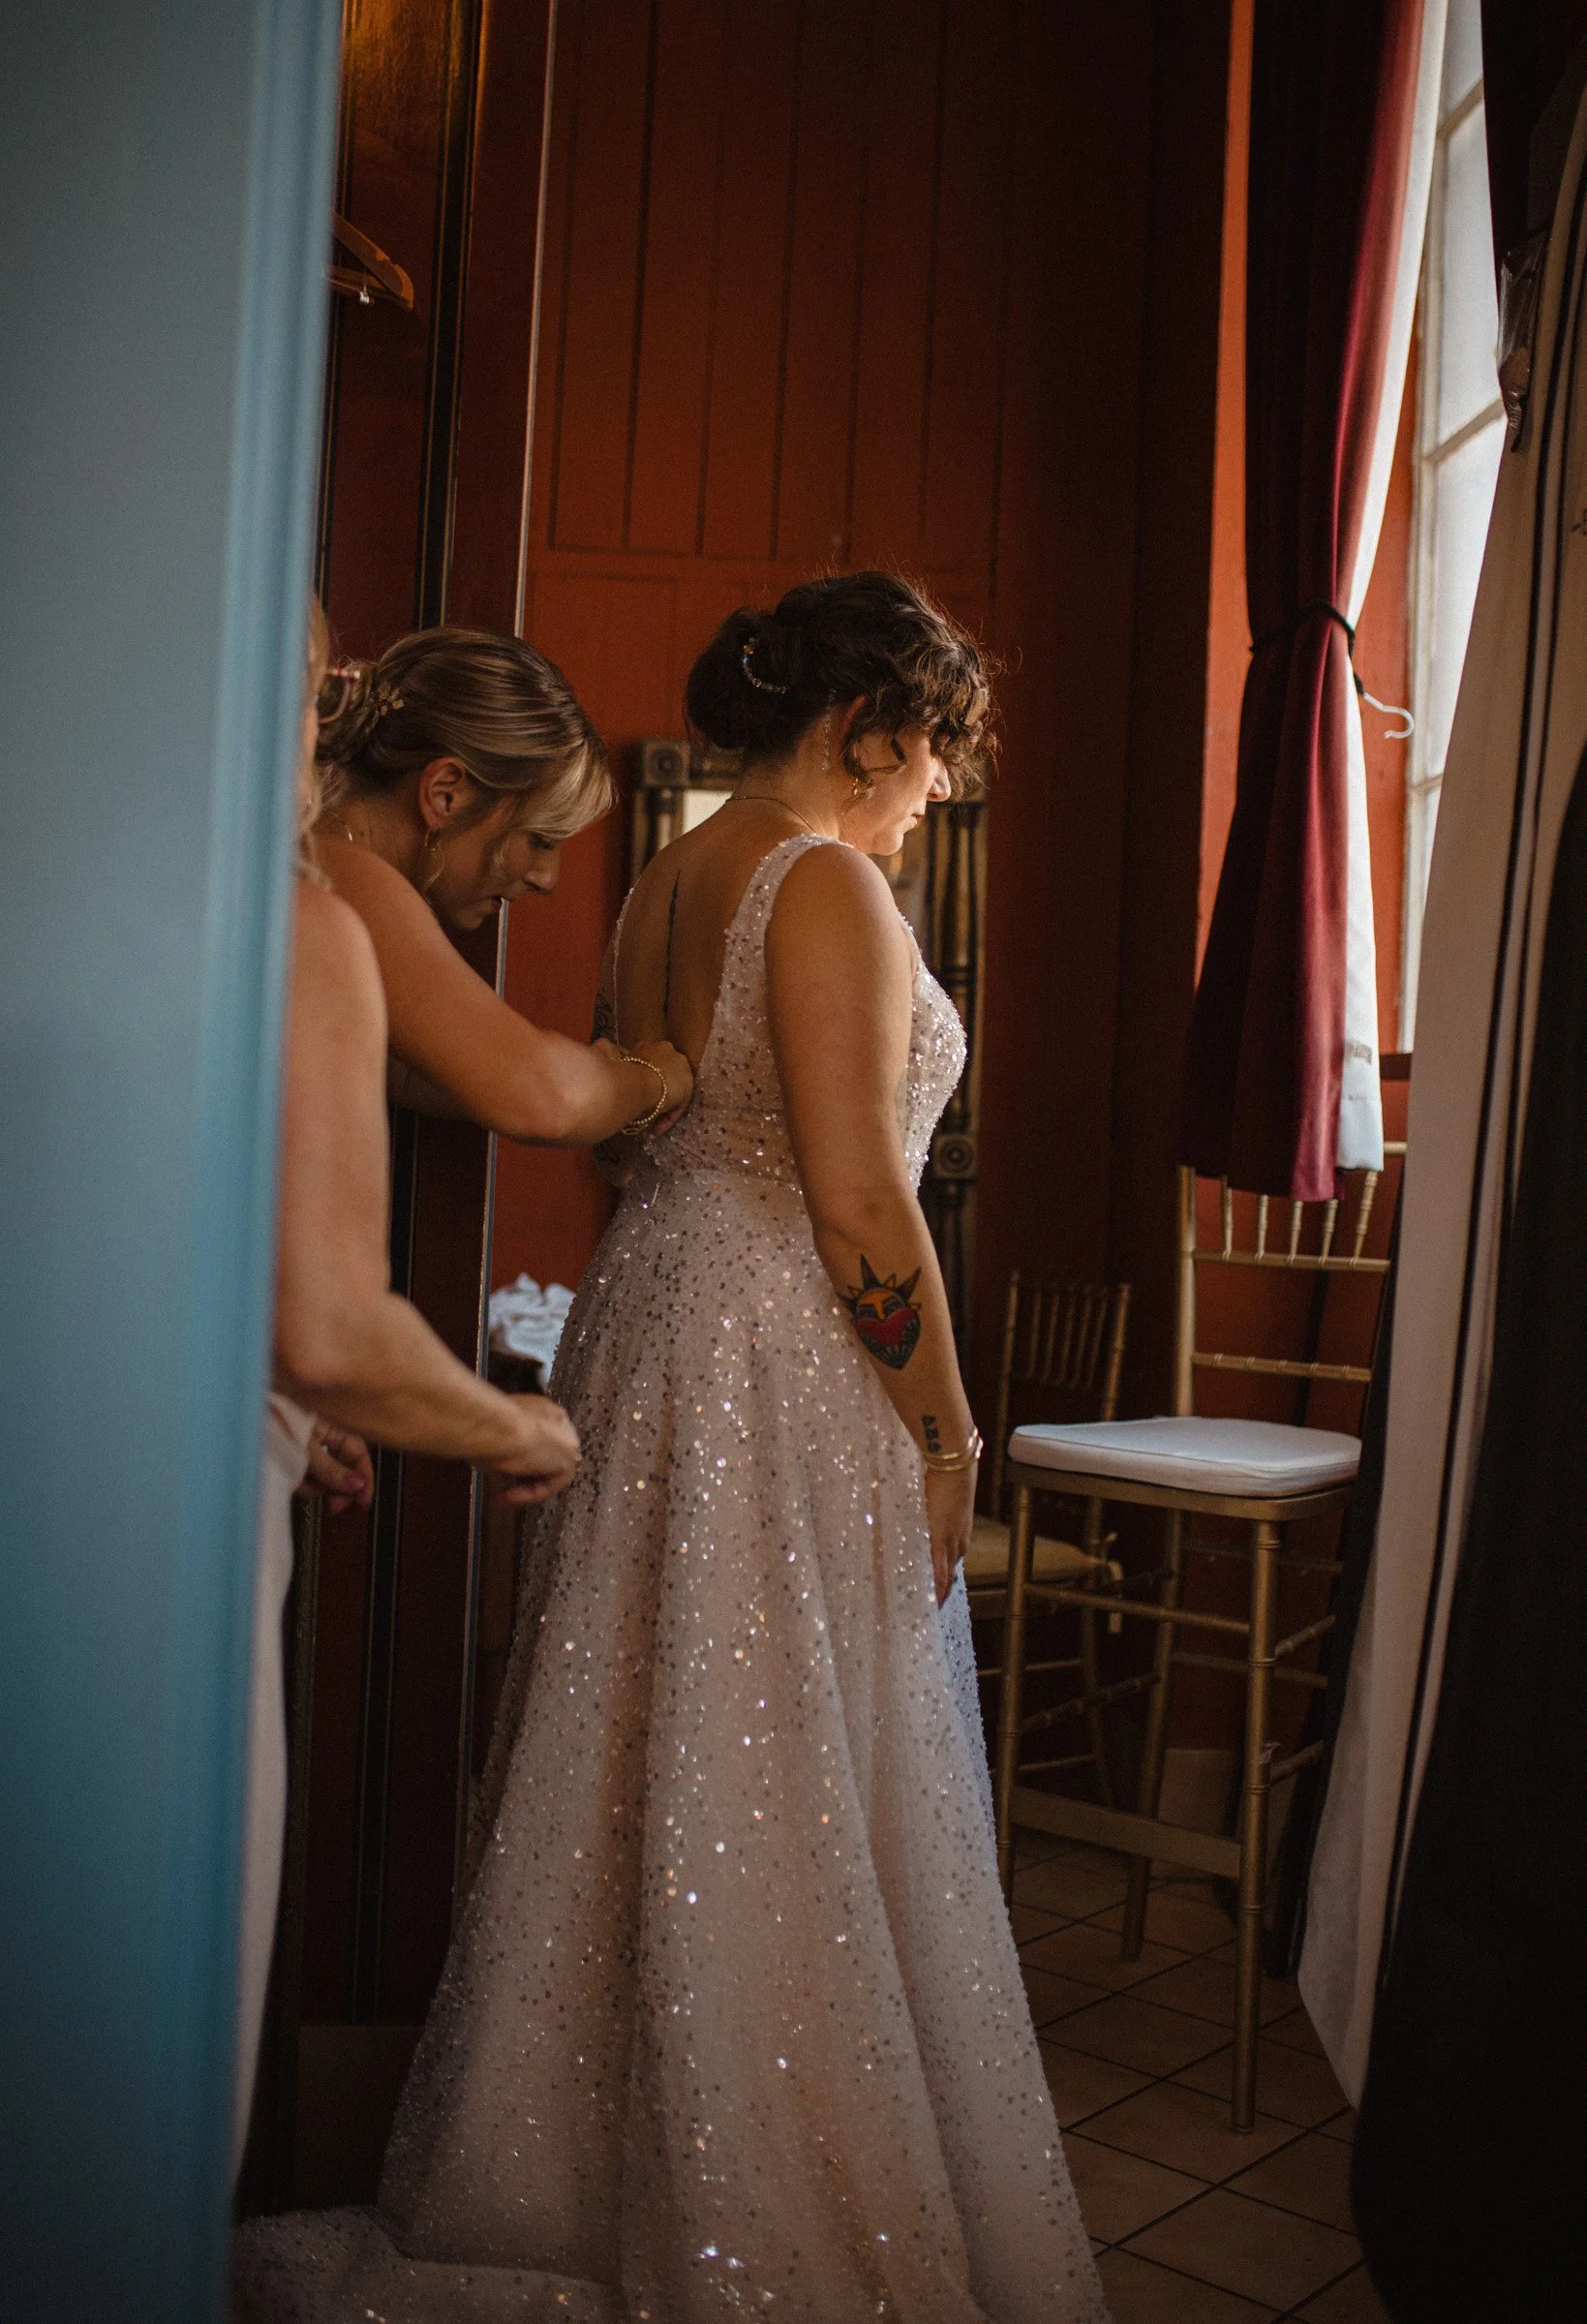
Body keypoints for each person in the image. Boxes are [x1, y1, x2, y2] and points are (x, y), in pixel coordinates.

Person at [235, 574, 1108, 2321]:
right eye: (931, 749)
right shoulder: (827, 887)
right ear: (865, 727)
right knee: (772, 1753)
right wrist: (942, 1428)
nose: (933, 787)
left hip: (660, 1318)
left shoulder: (661, 879)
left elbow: (635, 1115)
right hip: (778, 1351)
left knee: (653, 1754)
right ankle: (760, 2197)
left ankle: (585, 2166)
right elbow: (861, 1196)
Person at [234, 609, 582, 2173]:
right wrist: (520, 1424)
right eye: (310, 688)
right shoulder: (315, 904)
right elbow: (332, 1316)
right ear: (447, 792)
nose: (322, 722)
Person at [311, 627, 692, 1143]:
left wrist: (594, 1076)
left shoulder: (332, 854)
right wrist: (653, 1080)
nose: (547, 878)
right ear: (446, 794)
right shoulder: (351, 876)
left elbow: (408, 1072)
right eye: (537, 838)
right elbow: (542, 1098)